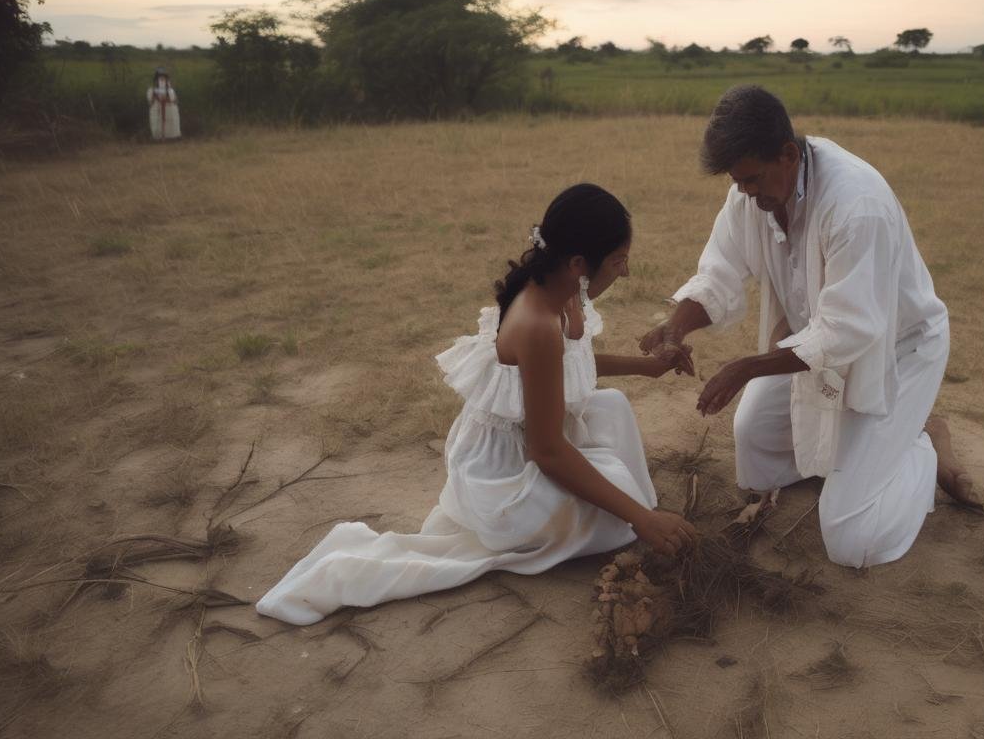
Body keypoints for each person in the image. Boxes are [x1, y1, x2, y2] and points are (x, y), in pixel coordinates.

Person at [257, 184, 697, 625]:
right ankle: (609, 516)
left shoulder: (560, 289)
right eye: (619, 260)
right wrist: (640, 517)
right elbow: (545, 452)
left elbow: (564, 369)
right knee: (618, 492)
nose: (626, 272)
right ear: (579, 262)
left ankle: (623, 508)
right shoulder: (537, 322)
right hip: (504, 474)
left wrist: (648, 368)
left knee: (612, 407)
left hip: (536, 439)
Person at [640, 85, 984, 570]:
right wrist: (676, 327)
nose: (745, 193)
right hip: (814, 345)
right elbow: (720, 270)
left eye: (752, 180)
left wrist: (748, 367)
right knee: (756, 460)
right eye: (738, 182)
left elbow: (849, 330)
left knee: (852, 540)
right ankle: (872, 443)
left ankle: (922, 447)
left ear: (788, 154)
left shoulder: (856, 206)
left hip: (893, 351)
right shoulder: (752, 192)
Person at [146, 67, 181, 141]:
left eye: (163, 78)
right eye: (160, 77)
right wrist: (155, 96)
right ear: (156, 79)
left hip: (169, 109)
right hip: (157, 109)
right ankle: (158, 137)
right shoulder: (152, 90)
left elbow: (175, 101)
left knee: (170, 121)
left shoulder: (170, 90)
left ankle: (171, 137)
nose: (162, 79)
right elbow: (150, 102)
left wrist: (168, 96)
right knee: (157, 122)